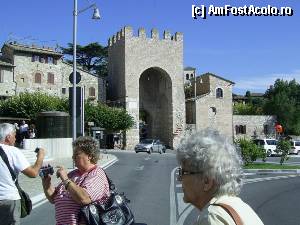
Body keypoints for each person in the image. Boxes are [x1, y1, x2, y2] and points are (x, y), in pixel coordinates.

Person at [176, 129, 264, 225]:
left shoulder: (212, 217)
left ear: (207, 182)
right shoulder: (242, 208)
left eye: (183, 172)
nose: (179, 179)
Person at [42, 136, 110, 225]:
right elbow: (53, 199)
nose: (73, 157)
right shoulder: (73, 174)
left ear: (89, 156)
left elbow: (84, 198)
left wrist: (66, 179)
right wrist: (46, 183)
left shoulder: (97, 174)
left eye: (77, 154)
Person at [0, 123, 45, 225]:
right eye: (14, 135)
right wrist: (40, 157)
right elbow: (33, 173)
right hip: (8, 199)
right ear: (8, 137)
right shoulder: (12, 151)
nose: (16, 138)